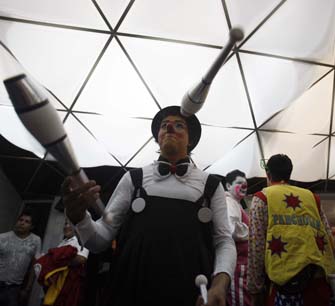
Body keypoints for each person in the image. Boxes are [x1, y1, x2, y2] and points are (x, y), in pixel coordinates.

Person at [62, 105, 236, 306]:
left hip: (190, 293)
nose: (169, 128)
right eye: (164, 125)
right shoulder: (133, 179)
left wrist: (220, 283)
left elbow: (224, 241)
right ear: (158, 136)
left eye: (179, 125)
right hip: (130, 291)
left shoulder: (211, 185)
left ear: (191, 140)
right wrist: (80, 219)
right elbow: (100, 240)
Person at [248, 154, 335, 306]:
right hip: (320, 281)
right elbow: (329, 238)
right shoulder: (312, 197)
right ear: (289, 174)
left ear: (268, 175)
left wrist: (255, 288)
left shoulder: (262, 198)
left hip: (284, 286)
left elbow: (256, 245)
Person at [36, 220, 89, 306]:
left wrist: (58, 263)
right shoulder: (63, 242)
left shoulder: (81, 240)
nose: (67, 226)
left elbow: (81, 259)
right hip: (55, 285)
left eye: (70, 224)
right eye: (65, 224)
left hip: (67, 285)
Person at [0, 210, 42, 306]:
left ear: (32, 227)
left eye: (27, 222)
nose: (22, 223)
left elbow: (34, 265)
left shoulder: (36, 240)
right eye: (21, 220)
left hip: (14, 288)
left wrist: (27, 289)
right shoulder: (2, 237)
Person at [225, 169, 251, 306]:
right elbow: (233, 230)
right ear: (228, 186)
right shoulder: (229, 202)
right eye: (239, 183)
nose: (243, 186)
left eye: (245, 183)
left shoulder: (236, 204)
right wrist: (254, 231)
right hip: (238, 265)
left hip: (242, 265)